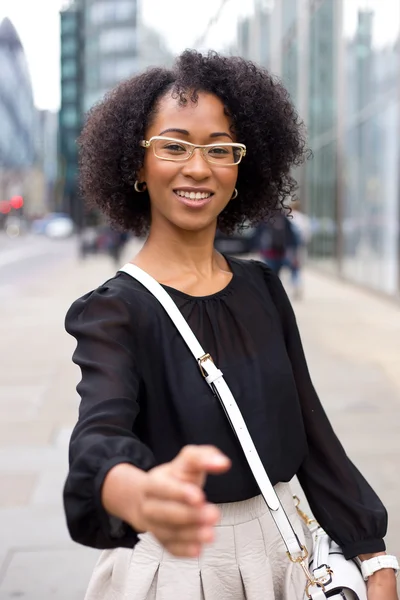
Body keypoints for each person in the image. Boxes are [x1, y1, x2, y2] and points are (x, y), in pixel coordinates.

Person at [63, 51, 398, 600]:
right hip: (179, 566)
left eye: (220, 149)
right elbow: (99, 434)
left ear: (244, 167)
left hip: (288, 549)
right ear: (135, 165)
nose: (199, 168)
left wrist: (373, 552)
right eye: (173, 146)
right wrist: (133, 491)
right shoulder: (114, 309)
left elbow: (311, 433)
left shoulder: (263, 287)